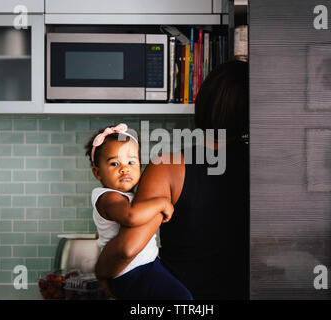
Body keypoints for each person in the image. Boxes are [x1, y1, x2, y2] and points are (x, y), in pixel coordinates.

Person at [95, 60, 250, 300]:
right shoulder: (267, 168)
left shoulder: (168, 166)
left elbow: (127, 249)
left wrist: (100, 271)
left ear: (205, 103)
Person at [84, 123, 193, 300]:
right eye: (114, 163)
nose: (124, 168)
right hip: (131, 271)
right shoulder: (107, 197)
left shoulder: (126, 195)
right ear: (97, 173)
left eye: (131, 162)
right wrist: (161, 203)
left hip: (143, 266)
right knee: (182, 299)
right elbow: (131, 216)